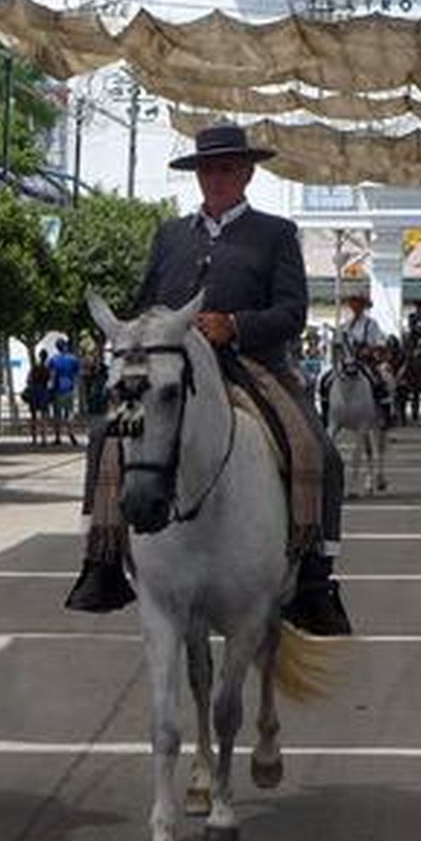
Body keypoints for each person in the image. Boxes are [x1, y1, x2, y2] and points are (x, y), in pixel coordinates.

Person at [65, 123, 351, 636]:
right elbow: (145, 303)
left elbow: (292, 313)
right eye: (206, 170)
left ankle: (315, 576)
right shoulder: (171, 234)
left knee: (318, 450)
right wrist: (140, 333)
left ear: (246, 173)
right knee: (108, 434)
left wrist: (235, 325)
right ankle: (102, 558)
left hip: (254, 365)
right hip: (168, 365)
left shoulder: (276, 233)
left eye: (225, 169)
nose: (215, 178)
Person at [333, 290, 393, 422]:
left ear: (363, 306)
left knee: (382, 380)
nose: (354, 306)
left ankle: (384, 411)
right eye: (352, 303)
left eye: (358, 303)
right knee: (327, 380)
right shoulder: (345, 326)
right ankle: (329, 410)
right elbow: (338, 344)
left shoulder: (371, 324)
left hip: (365, 361)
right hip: (346, 361)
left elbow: (380, 341)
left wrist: (370, 349)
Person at [46, 338, 81, 447]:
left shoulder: (53, 360)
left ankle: (57, 437)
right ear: (65, 346)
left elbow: (50, 375)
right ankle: (71, 434)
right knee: (69, 413)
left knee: (57, 414)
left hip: (57, 390)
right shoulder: (73, 359)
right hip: (70, 388)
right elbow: (77, 373)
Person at [23, 347, 52, 446]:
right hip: (43, 392)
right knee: (43, 417)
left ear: (39, 356)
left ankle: (34, 439)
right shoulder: (47, 369)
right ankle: (43, 439)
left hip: (34, 392)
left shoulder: (34, 368)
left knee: (34, 417)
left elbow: (28, 380)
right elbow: (49, 381)